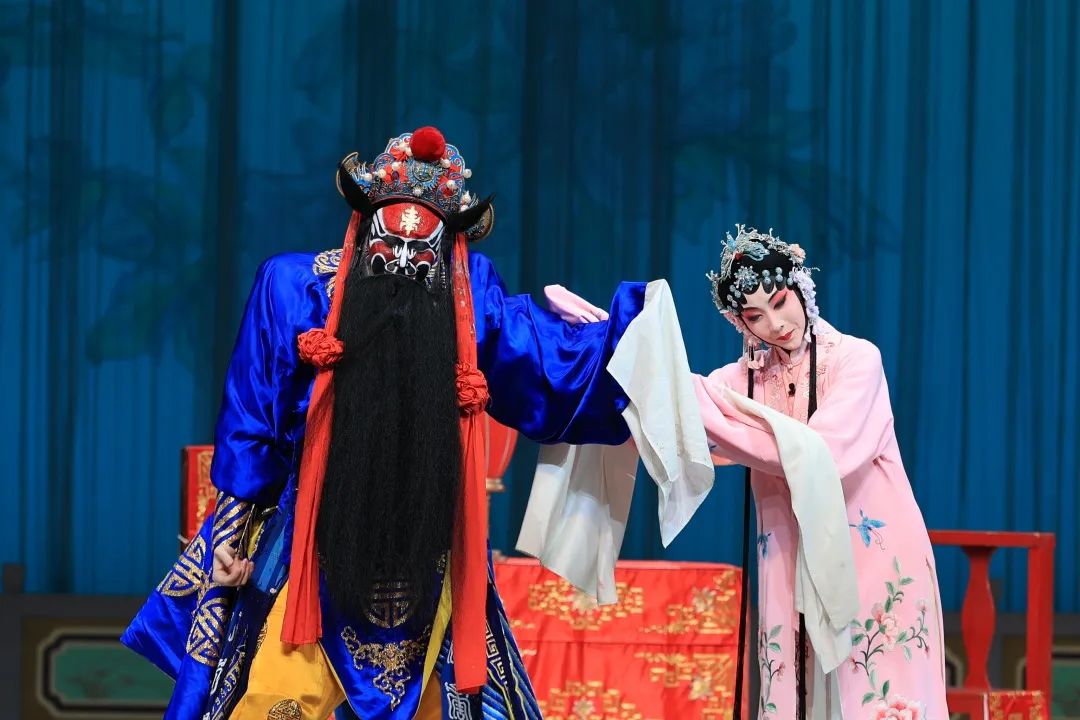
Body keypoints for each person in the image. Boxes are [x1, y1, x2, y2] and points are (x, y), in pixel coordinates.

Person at [122, 126, 651, 720]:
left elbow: (546, 366)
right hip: (310, 541)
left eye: (420, 251)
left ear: (449, 246)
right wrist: (229, 540)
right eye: (388, 242)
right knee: (275, 700)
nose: (401, 259)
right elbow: (252, 422)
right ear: (363, 224)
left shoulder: (468, 295)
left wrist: (626, 343)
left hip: (426, 546)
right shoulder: (294, 287)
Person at [695, 225, 948, 718]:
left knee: (876, 687)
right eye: (755, 316)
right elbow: (686, 407)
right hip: (789, 558)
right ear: (741, 323)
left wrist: (731, 426)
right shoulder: (746, 381)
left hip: (872, 554)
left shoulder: (857, 360)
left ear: (800, 287)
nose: (775, 324)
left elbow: (821, 453)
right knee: (796, 682)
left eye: (780, 301)